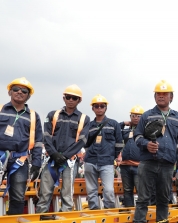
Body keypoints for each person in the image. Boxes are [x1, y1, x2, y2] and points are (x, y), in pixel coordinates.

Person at [133, 80, 178, 223]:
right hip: (148, 162)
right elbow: (137, 136)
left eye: (164, 94)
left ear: (171, 97)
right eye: (158, 94)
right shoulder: (147, 115)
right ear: (154, 96)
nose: (161, 97)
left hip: (168, 165)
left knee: (163, 200)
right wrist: (146, 144)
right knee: (143, 198)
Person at [36, 84, 90, 213]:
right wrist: (54, 154)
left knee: (67, 191)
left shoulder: (84, 118)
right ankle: (41, 216)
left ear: (79, 100)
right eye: (68, 97)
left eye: (74, 98)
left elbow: (82, 140)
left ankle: (65, 217)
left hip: (70, 160)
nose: (71, 100)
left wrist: (65, 156)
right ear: (64, 98)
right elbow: (46, 136)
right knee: (45, 189)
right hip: (52, 159)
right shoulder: (53, 115)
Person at [0, 77, 43, 215]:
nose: (19, 92)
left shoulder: (33, 116)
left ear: (28, 96)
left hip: (20, 160)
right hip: (0, 156)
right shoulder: (1, 110)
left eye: (24, 91)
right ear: (9, 92)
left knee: (18, 195)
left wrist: (36, 163)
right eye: (16, 89)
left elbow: (38, 141)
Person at [84, 94, 123, 210]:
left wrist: (113, 156)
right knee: (91, 191)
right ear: (93, 108)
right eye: (96, 106)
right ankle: (94, 213)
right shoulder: (89, 126)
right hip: (90, 161)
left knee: (109, 191)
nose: (99, 108)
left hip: (107, 162)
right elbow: (85, 143)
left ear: (106, 108)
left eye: (102, 106)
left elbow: (119, 143)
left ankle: (109, 213)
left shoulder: (113, 124)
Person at [119, 105, 144, 207]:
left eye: (138, 116)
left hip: (139, 166)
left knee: (141, 190)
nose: (136, 118)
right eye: (134, 115)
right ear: (130, 117)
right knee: (127, 191)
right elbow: (115, 128)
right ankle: (128, 211)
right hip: (125, 165)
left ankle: (141, 213)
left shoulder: (145, 131)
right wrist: (123, 123)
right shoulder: (126, 131)